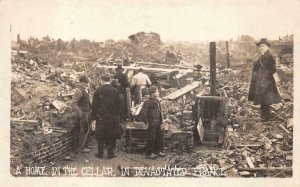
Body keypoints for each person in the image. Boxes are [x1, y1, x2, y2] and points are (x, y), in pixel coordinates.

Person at [248, 38, 281, 121]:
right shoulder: (263, 56)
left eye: (263, 46)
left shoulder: (269, 56)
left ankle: (266, 117)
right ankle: (264, 116)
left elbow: (273, 70)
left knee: (265, 99)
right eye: (260, 46)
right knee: (262, 99)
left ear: (267, 47)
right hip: (261, 81)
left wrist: (277, 81)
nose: (261, 47)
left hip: (266, 82)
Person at [91, 74, 122, 159]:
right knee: (111, 135)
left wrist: (93, 117)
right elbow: (119, 105)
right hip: (112, 118)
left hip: (101, 117)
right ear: (109, 80)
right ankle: (110, 154)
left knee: (100, 136)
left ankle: (100, 153)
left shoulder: (98, 90)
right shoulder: (115, 91)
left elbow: (94, 105)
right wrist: (116, 116)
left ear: (102, 80)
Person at [142, 85, 165, 159]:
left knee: (159, 137)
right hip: (151, 123)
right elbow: (144, 113)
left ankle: (158, 151)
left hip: (158, 122)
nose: (158, 93)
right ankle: (149, 153)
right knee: (151, 138)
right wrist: (146, 122)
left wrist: (161, 120)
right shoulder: (147, 102)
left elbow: (160, 111)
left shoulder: (157, 100)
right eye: (157, 91)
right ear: (152, 93)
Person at [70, 75, 92, 153]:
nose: (87, 85)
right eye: (85, 83)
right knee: (83, 131)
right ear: (81, 83)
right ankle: (81, 148)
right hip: (83, 113)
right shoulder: (79, 91)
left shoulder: (85, 89)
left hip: (87, 112)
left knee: (87, 130)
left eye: (87, 83)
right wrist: (80, 112)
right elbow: (73, 103)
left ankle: (86, 145)